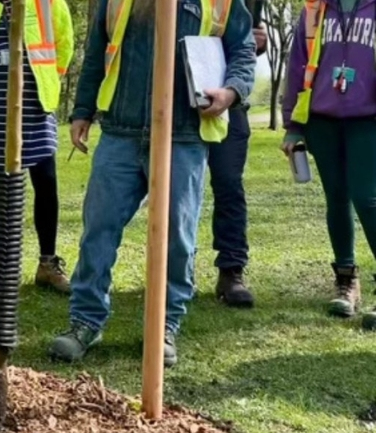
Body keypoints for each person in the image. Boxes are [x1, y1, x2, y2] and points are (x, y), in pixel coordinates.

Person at [48, 0, 256, 366]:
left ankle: (164, 325)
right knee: (98, 228)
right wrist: (83, 109)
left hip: (184, 136)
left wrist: (231, 92)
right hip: (120, 133)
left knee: (178, 237)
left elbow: (242, 48)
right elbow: (97, 50)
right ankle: (85, 321)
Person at [0, 0, 74, 294]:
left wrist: (47, 80)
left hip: (35, 102)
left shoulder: (50, 4)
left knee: (46, 180)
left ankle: (48, 264)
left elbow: (64, 45)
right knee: (2, 186)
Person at [281, 0, 376, 324]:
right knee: (336, 198)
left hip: (368, 121)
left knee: (367, 198)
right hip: (322, 121)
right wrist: (293, 127)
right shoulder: (314, 12)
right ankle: (346, 280)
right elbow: (297, 68)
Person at [203, 12, 268, 308]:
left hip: (232, 103)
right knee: (174, 189)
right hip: (178, 100)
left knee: (229, 186)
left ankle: (231, 271)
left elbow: (246, 40)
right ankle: (172, 270)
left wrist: (258, 41)